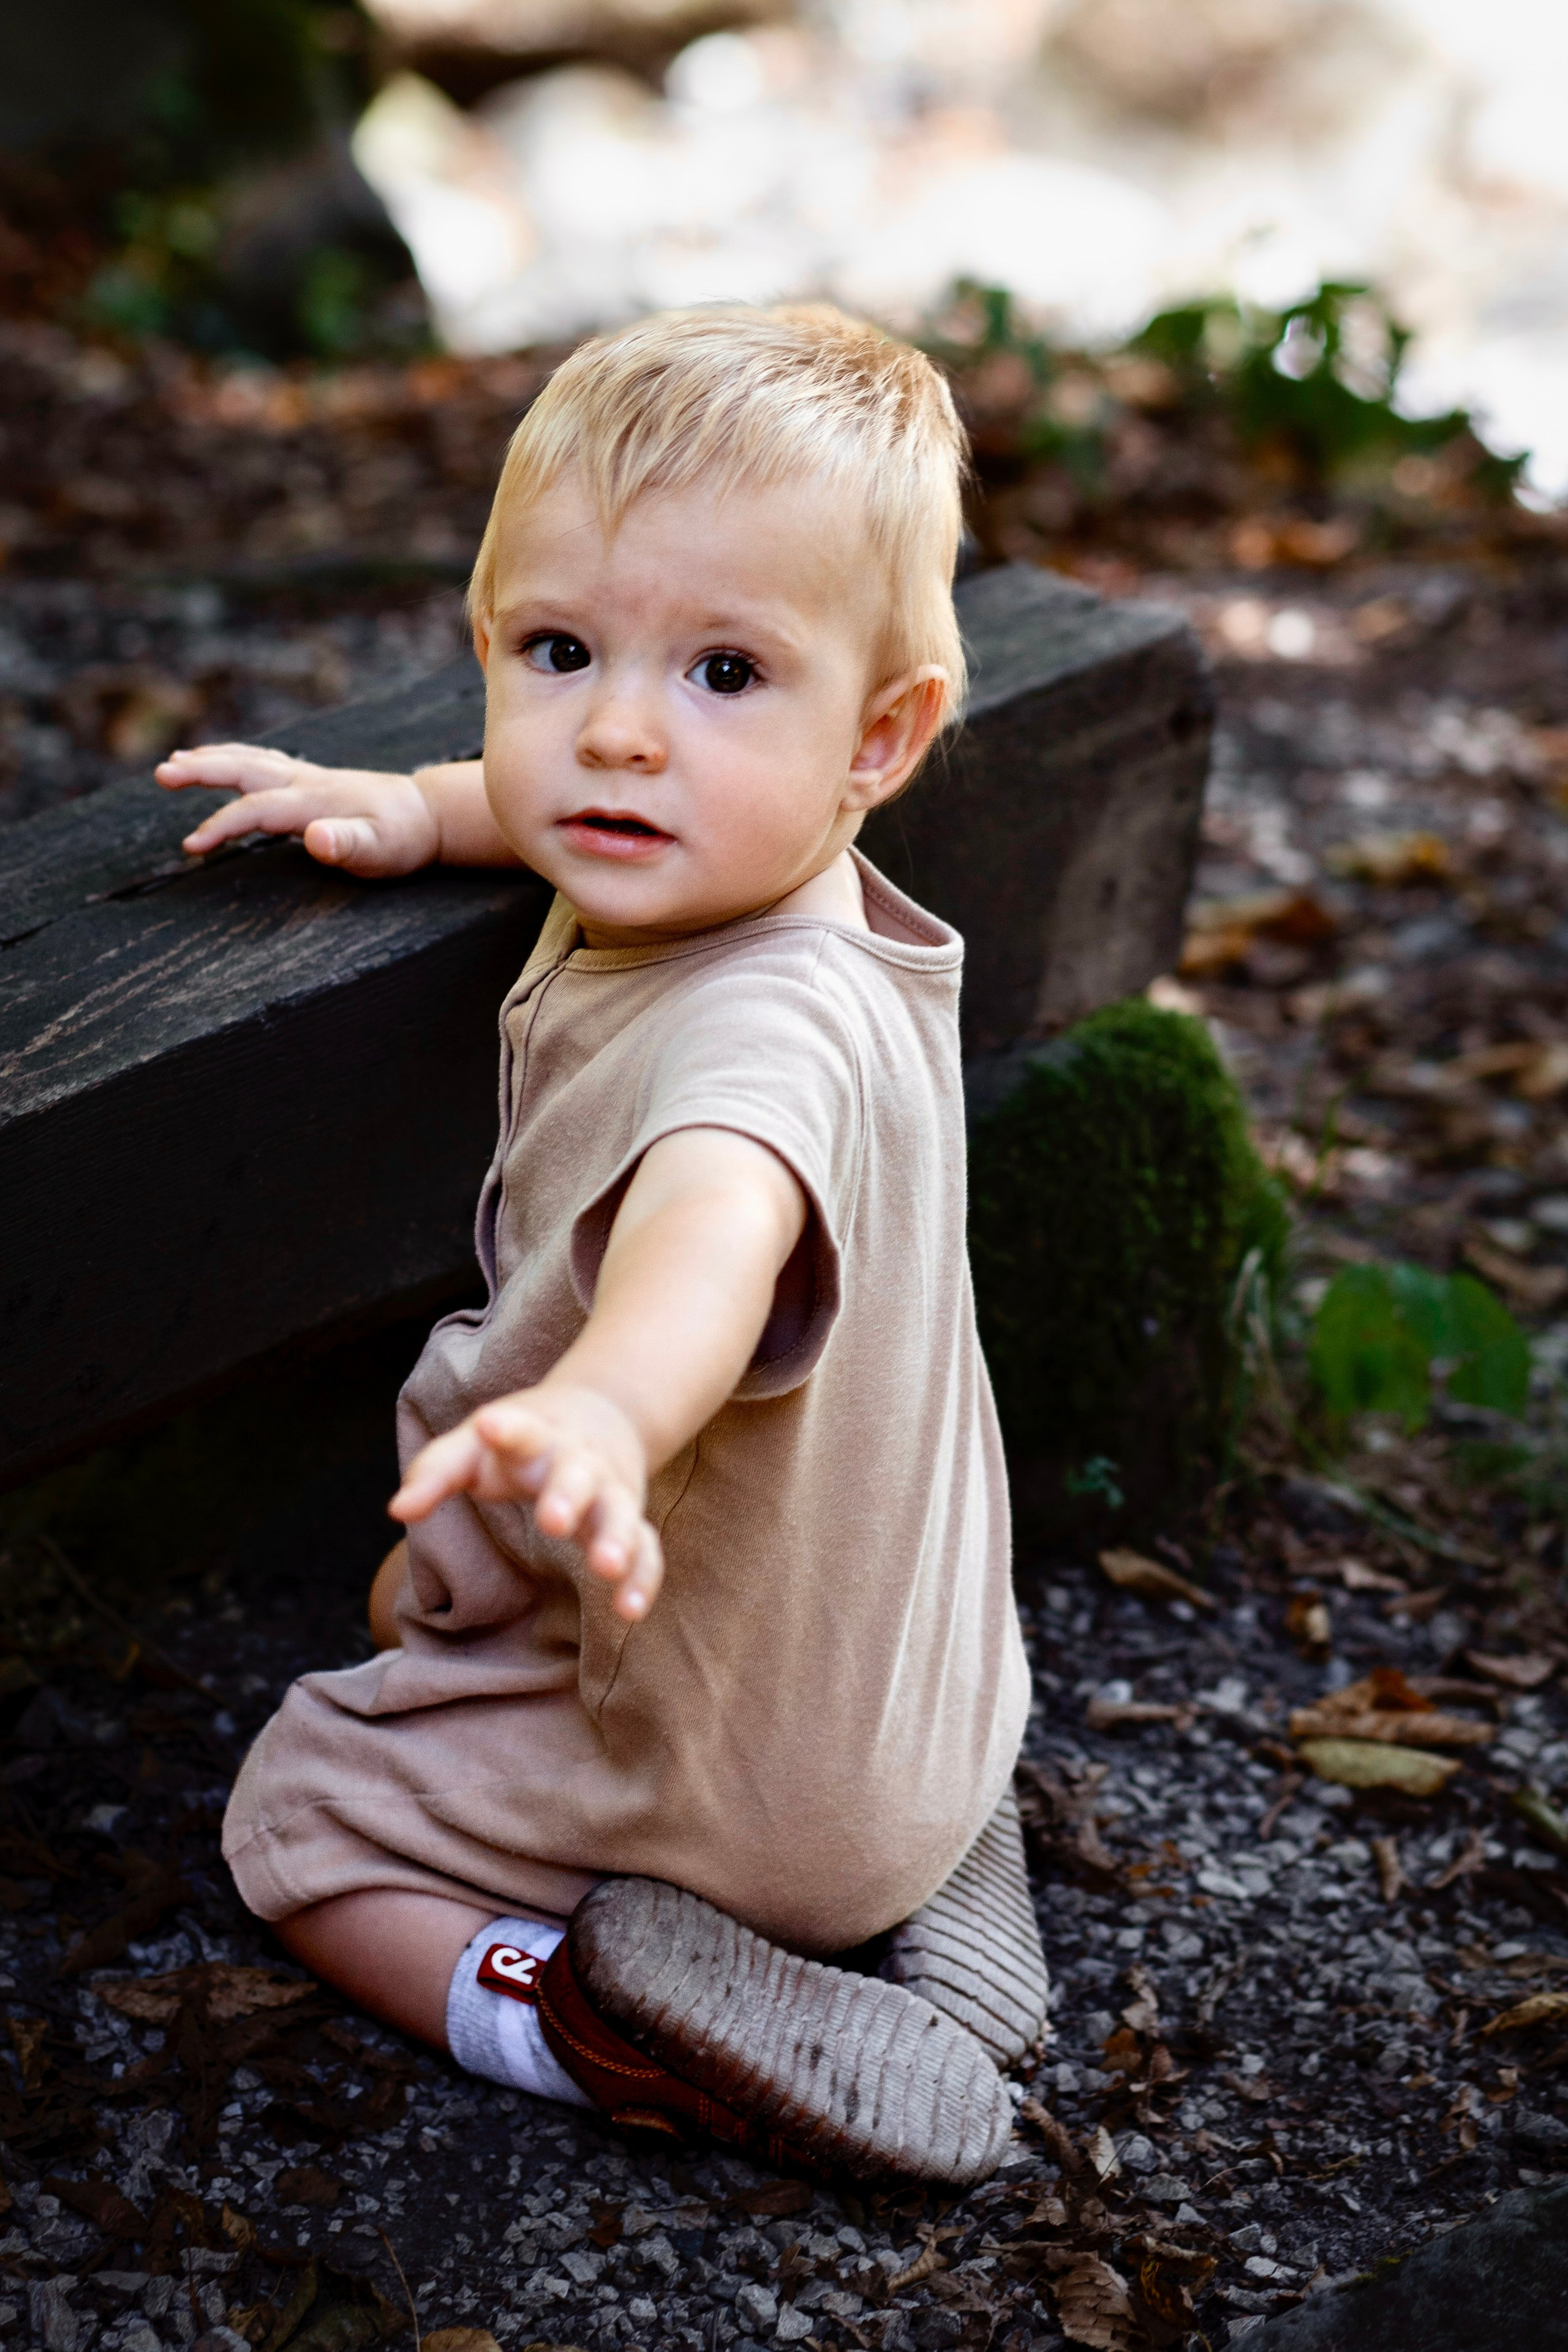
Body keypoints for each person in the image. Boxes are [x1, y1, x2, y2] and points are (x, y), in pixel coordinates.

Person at [157, 303, 1047, 2185]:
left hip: (740, 1783)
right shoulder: (779, 877)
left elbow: (711, 1232)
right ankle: (951, 1870)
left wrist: (609, 1418)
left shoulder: (749, 1042)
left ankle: (589, 2025)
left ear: (880, 736)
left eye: (726, 672)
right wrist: (410, 807)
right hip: (927, 1684)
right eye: (561, 651)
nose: (621, 731)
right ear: (491, 648)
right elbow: (562, 801)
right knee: (870, 1706)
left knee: (304, 1813)